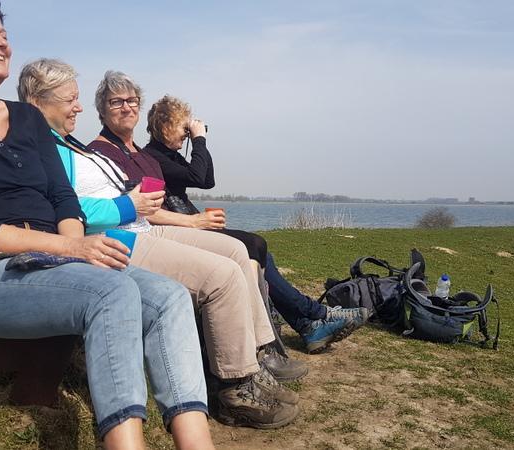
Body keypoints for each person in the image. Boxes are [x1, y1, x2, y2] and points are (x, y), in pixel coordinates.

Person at [0, 3, 214, 448]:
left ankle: (196, 442)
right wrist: (72, 250)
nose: (1, 40)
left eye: (3, 32)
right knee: (114, 291)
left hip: (45, 259)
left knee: (169, 298)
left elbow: (62, 197)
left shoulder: (28, 119)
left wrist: (76, 247)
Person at [17, 58, 304, 430]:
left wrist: (135, 204)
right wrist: (128, 204)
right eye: (71, 99)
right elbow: (62, 207)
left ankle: (257, 354)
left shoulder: (64, 142)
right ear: (38, 102)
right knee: (222, 275)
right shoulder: (45, 148)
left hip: (137, 226)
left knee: (238, 250)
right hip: (116, 237)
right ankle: (235, 387)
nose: (78, 107)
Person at [87, 81, 369, 354]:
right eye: (117, 102)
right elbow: (185, 184)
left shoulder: (153, 157)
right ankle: (303, 320)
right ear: (164, 126)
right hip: (165, 232)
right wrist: (199, 139)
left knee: (258, 251)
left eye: (132, 101)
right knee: (253, 247)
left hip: (180, 226)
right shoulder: (151, 156)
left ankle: (297, 321)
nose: (186, 132)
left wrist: (198, 143)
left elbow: (206, 180)